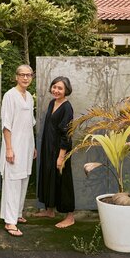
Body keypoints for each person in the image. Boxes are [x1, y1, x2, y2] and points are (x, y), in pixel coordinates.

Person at [0, 64, 37, 237]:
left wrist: (33, 146)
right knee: (12, 182)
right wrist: (8, 148)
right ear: (16, 77)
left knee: (23, 180)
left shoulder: (29, 97)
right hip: (13, 146)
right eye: (22, 75)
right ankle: (9, 221)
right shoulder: (10, 96)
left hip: (27, 146)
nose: (25, 78)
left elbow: (30, 124)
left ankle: (17, 214)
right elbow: (6, 125)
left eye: (29, 75)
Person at [36, 76, 75, 228]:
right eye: (54, 87)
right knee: (48, 178)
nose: (56, 90)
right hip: (48, 149)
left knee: (63, 181)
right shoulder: (53, 102)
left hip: (60, 151)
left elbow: (67, 133)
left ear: (66, 91)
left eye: (60, 88)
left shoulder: (67, 107)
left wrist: (61, 156)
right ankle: (49, 210)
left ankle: (70, 217)